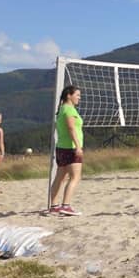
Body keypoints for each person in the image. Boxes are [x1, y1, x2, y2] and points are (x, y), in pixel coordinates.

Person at [49, 85, 84, 216]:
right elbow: (71, 129)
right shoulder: (69, 110)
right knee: (75, 177)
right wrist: (78, 146)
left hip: (61, 147)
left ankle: (54, 206)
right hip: (71, 148)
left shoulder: (62, 109)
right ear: (69, 95)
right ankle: (66, 206)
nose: (79, 98)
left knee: (60, 177)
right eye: (77, 95)